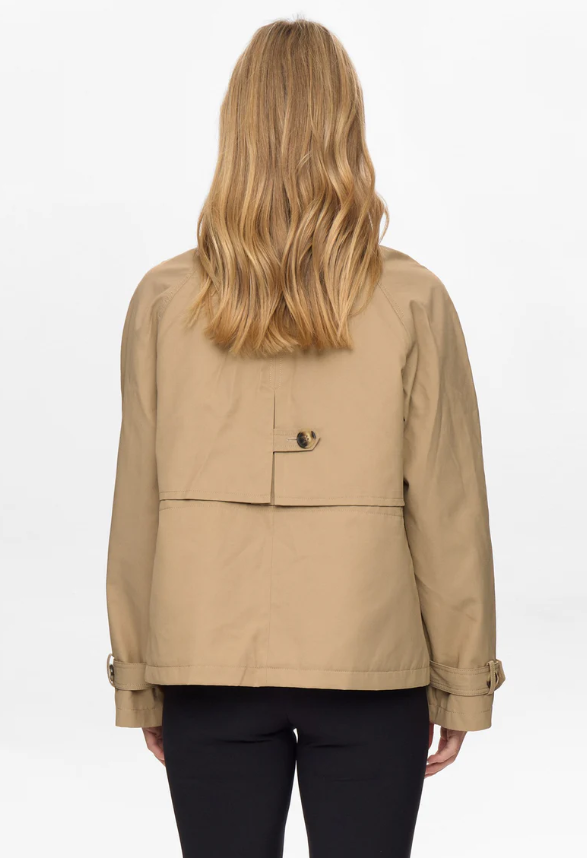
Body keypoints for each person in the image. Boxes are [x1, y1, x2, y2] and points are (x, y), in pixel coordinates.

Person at [105, 17, 505, 858]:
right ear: (347, 127)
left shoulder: (164, 301)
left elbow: (136, 505)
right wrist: (462, 681)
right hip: (370, 662)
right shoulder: (413, 300)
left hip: (206, 663)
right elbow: (448, 510)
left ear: (235, 128)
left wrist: (139, 677)